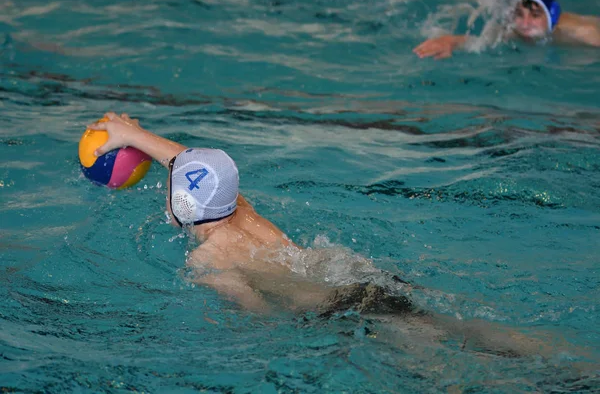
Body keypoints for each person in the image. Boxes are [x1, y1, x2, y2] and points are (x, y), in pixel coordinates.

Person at [87, 112, 585, 361]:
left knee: (439, 370)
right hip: (360, 274)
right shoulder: (240, 207)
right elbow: (194, 165)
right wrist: (132, 134)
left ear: (181, 208)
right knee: (460, 324)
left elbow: (260, 321)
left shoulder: (209, 261)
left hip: (340, 310)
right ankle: (570, 359)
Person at [414, 0, 600, 60]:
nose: (525, 24)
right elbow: (482, 42)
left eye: (535, 16)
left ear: (552, 15)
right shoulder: (518, 33)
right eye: (519, 15)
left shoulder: (584, 32)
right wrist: (450, 41)